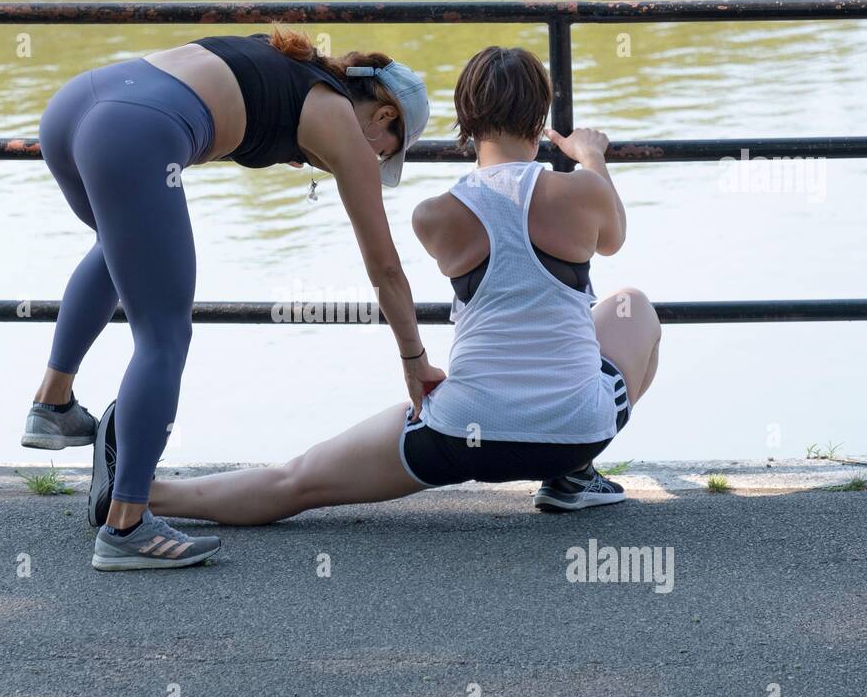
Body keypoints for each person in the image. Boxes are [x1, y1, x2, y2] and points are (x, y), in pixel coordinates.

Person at [116, 46, 661, 532]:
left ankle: (138, 495)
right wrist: (591, 156)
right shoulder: (583, 192)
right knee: (631, 306)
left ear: (466, 121)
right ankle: (572, 474)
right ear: (540, 118)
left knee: (297, 481)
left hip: (460, 433)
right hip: (578, 429)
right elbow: (612, 239)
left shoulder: (434, 216)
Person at [25, 26, 442, 570]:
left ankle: (53, 405)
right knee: (164, 334)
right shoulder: (339, 118)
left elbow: (234, 97)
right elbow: (385, 268)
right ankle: (126, 526)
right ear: (384, 116)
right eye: (387, 150)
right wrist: (414, 360)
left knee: (116, 245)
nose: (379, 161)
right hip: (132, 133)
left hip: (74, 108)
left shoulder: (290, 63)